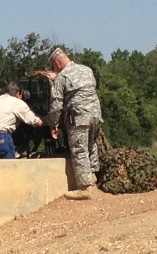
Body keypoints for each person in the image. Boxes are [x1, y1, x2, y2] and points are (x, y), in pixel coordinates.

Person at [45, 47, 103, 200]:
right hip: (95, 114)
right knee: (91, 144)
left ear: (57, 63)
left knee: (79, 149)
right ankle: (93, 176)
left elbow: (56, 105)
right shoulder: (86, 70)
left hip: (79, 116)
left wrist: (53, 124)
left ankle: (84, 188)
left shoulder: (61, 77)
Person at [0, 81, 43, 159]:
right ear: (18, 93)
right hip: (1, 138)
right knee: (8, 168)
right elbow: (34, 121)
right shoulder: (16, 102)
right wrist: (47, 121)